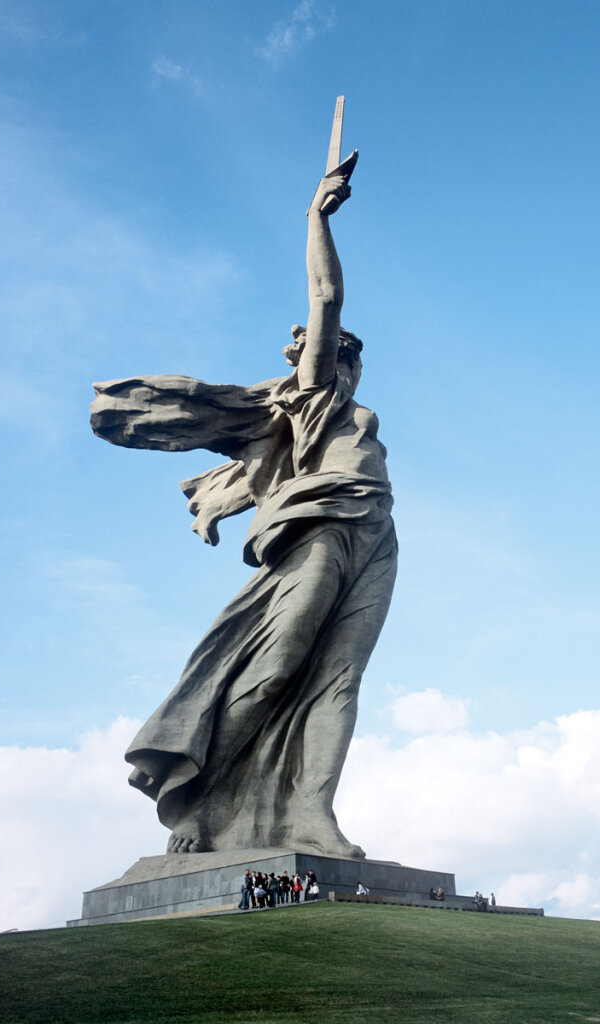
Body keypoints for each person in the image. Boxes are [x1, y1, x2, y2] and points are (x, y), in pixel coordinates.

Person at [91, 169, 397, 858]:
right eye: (336, 352)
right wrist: (319, 218)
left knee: (340, 677)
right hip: (317, 533)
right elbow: (326, 295)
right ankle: (196, 801)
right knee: (277, 665)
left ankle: (314, 814)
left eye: (349, 357)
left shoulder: (355, 413)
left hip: (375, 534)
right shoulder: (314, 395)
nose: (343, 362)